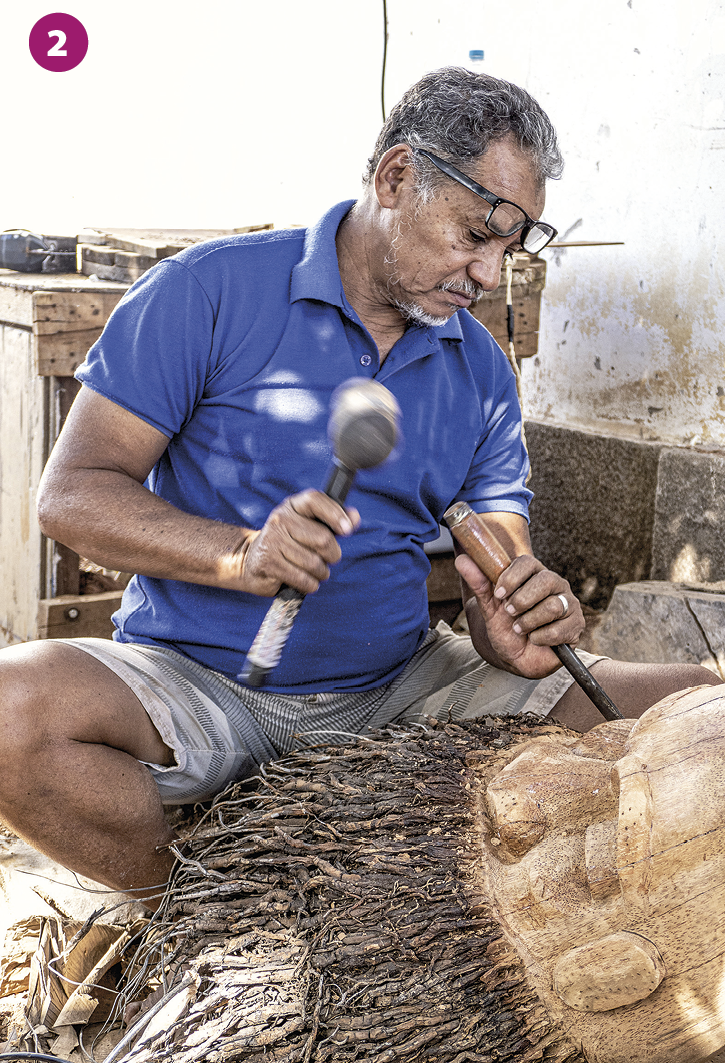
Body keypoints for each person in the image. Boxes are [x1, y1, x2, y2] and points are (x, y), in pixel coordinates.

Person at [0, 68, 716, 905]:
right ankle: (195, 913)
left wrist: (512, 621)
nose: (486, 274)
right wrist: (239, 554)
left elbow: (500, 562)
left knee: (699, 710)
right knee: (12, 712)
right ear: (395, 176)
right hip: (196, 680)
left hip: (403, 686)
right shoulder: (208, 292)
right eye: (471, 235)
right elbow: (73, 495)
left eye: (507, 251)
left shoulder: (478, 367)